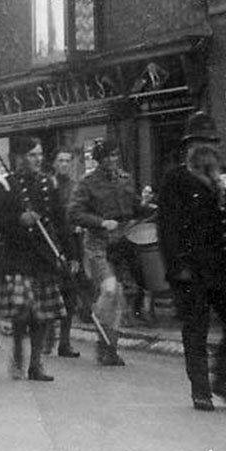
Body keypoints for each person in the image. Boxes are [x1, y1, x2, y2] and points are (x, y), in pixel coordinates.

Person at [157, 112, 226, 411]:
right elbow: (167, 228)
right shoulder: (176, 179)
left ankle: (222, 380)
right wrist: (177, 268)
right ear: (188, 147)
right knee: (196, 330)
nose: (206, 148)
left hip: (224, 268)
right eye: (199, 143)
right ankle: (201, 390)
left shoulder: (224, 177)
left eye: (211, 143)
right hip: (191, 269)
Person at [0, 136, 69, 382]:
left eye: (40, 155)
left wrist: (69, 253)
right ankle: (19, 351)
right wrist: (18, 220)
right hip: (17, 255)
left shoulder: (48, 184)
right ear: (20, 158)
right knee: (23, 312)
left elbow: (61, 221)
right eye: (32, 155)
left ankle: (35, 364)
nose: (38, 159)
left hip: (43, 254)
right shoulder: (6, 186)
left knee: (41, 314)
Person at [69, 138, 153, 366]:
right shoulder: (87, 183)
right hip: (97, 244)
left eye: (115, 155)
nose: (112, 160)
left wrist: (150, 208)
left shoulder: (125, 180)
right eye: (107, 156)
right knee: (109, 291)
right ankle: (100, 334)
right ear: (98, 159)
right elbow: (74, 213)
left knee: (118, 299)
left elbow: (135, 206)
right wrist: (100, 222)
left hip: (123, 244)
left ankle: (110, 348)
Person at [46, 148, 82, 358]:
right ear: (54, 163)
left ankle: (65, 343)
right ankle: (48, 339)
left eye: (68, 161)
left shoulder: (76, 188)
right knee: (52, 293)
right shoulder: (48, 186)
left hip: (72, 244)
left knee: (70, 294)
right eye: (60, 160)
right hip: (51, 244)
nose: (64, 164)